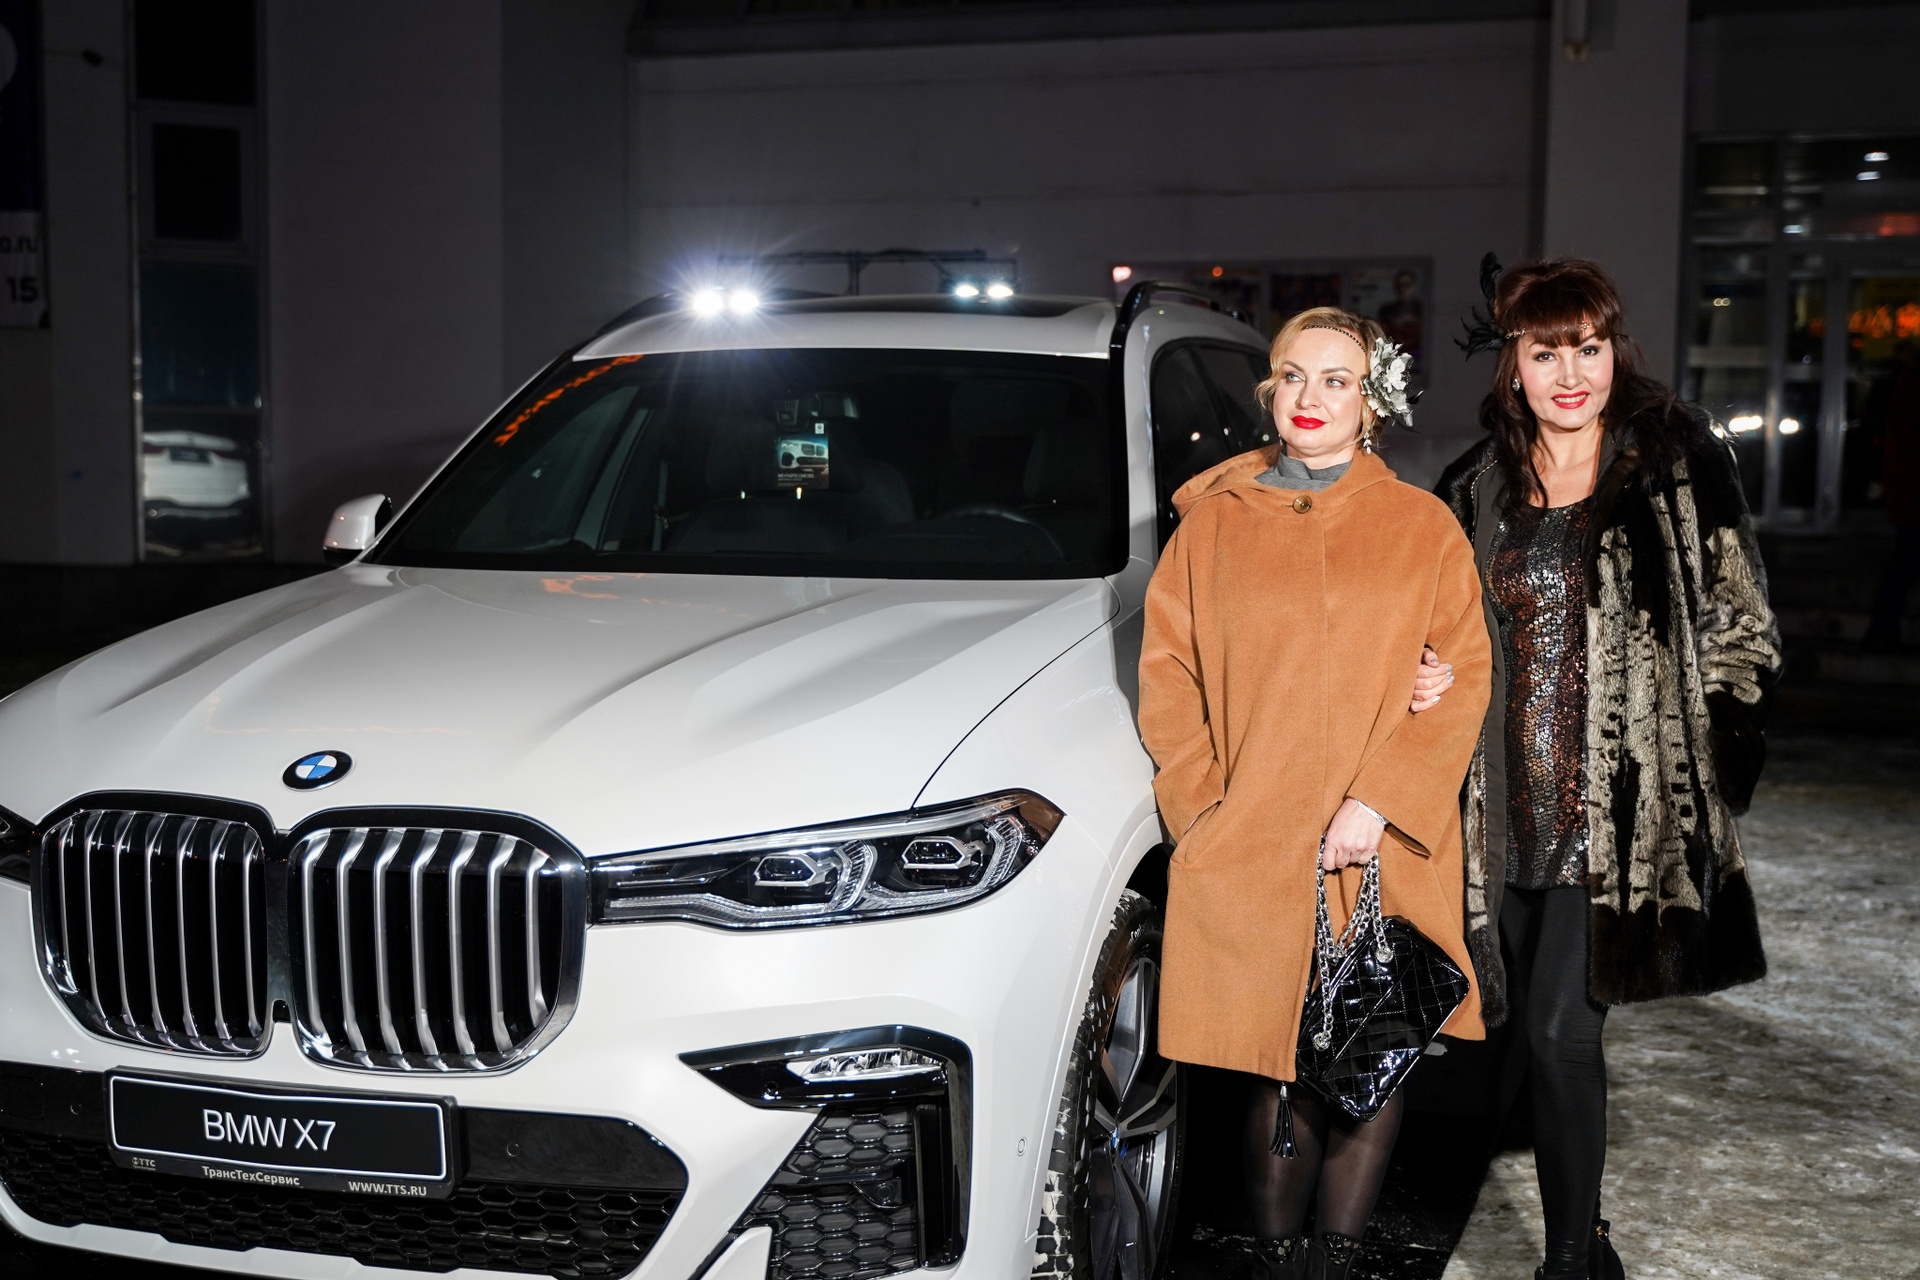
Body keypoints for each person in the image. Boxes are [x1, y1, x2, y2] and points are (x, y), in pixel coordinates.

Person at [1422, 259, 1781, 1280]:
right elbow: (1441, 627)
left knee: (1558, 1034)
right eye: (1546, 354)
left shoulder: (1674, 463)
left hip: (1619, 814)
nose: (1571, 374)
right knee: (1514, 1040)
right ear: (1513, 365)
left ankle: (1568, 1263)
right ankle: (1595, 1240)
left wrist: (1707, 773)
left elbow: (1742, 624)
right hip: (1504, 810)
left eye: (1588, 347)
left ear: (1614, 349)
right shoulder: (1476, 485)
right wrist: (1427, 669)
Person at [1138, 306, 1491, 1280]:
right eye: (1293, 375)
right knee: (1275, 1064)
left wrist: (1379, 801)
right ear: (1270, 389)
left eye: (1336, 380)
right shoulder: (1213, 523)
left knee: (1373, 1054)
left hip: (1382, 846)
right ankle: (1274, 1257)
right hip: (1253, 841)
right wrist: (1204, 812)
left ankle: (1336, 1258)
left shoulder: (1421, 526)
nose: (1309, 397)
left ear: (1370, 403)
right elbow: (1167, 676)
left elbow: (1465, 674)